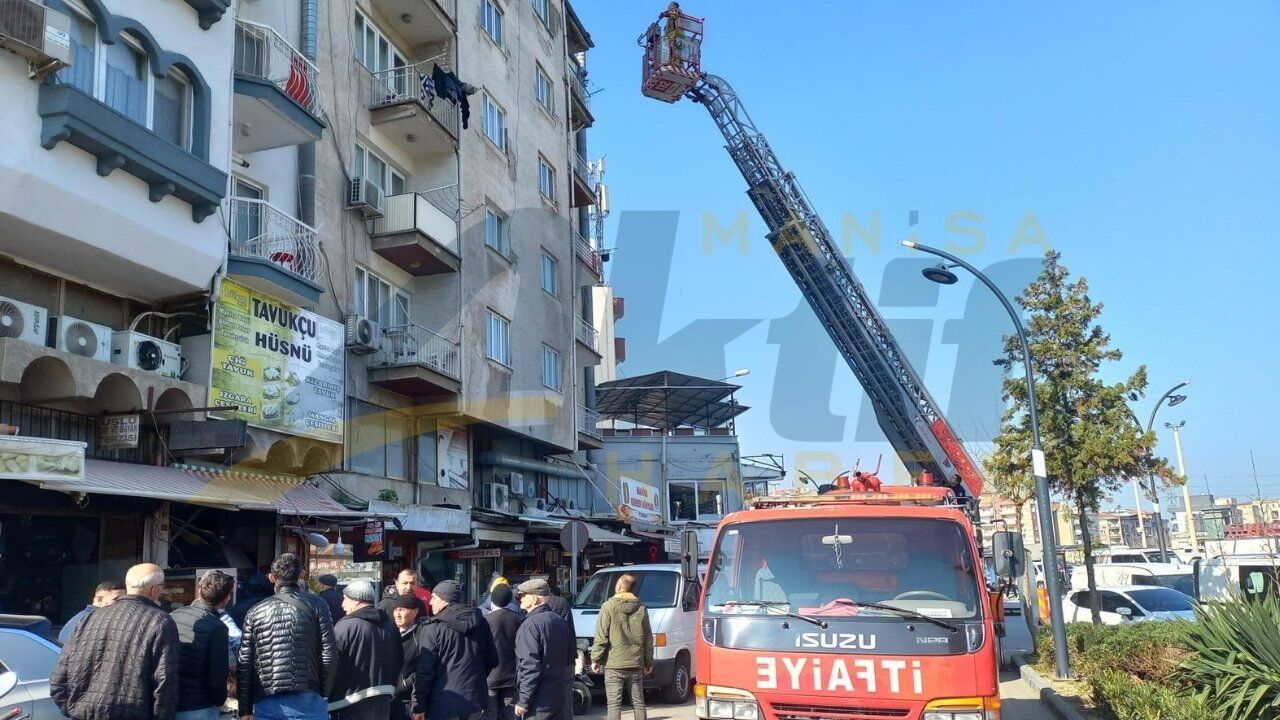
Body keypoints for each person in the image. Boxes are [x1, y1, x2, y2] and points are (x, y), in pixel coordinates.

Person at [50, 563, 181, 720]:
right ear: (155, 590)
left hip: (84, 714)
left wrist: (74, 710)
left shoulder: (90, 618)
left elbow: (59, 680)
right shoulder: (161, 621)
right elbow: (165, 684)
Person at [238, 553, 338, 720]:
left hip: (266, 698)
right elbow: (329, 655)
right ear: (301, 575)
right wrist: (324, 692)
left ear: (272, 577)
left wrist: (245, 709)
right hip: (307, 696)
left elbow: (245, 663)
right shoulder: (317, 605)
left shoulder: (255, 612)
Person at [412, 580, 498, 720]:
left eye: (434, 598)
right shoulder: (480, 622)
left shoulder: (434, 627)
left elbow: (425, 671)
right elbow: (492, 659)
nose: (430, 602)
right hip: (475, 700)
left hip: (443, 702)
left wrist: (418, 705)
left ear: (445, 599)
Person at [329, 581, 402, 720]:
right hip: (384, 695)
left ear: (357, 600)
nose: (343, 605)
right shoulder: (390, 625)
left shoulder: (346, 625)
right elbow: (399, 658)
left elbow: (332, 661)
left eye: (345, 599)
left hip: (349, 700)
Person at [170, 570, 233, 720]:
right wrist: (220, 700)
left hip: (169, 700)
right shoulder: (218, 628)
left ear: (199, 591)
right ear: (226, 598)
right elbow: (217, 673)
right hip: (199, 705)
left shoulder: (174, 615)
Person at [591, 574, 653, 720]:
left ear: (618, 586)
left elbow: (601, 636)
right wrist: (649, 662)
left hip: (614, 664)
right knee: (639, 703)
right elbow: (648, 638)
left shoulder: (608, 606)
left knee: (614, 705)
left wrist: (595, 659)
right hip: (636, 663)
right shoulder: (641, 608)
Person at [513, 579, 570, 720]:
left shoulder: (530, 625)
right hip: (557, 695)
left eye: (522, 596)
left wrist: (523, 700)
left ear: (534, 598)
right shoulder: (558, 620)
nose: (519, 600)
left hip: (538, 700)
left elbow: (530, 665)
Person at [483, 584, 524, 720]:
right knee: (510, 714)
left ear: (492, 599)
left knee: (489, 713)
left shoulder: (486, 620)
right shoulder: (519, 619)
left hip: (490, 676)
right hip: (512, 676)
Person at [543, 586, 578, 715]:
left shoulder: (536, 609)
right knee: (566, 700)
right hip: (566, 658)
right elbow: (570, 632)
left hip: (546, 661)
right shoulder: (562, 603)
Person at [392, 595, 427, 720]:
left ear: (414, 612)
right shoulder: (390, 632)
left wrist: (406, 683)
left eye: (402, 610)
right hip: (390, 698)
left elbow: (425, 667)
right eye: (396, 610)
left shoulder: (421, 634)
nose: (398, 614)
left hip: (409, 700)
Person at [58, 580, 125, 643]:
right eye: (117, 599)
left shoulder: (81, 617)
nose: (123, 603)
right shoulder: (97, 621)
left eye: (124, 599)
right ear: (100, 600)